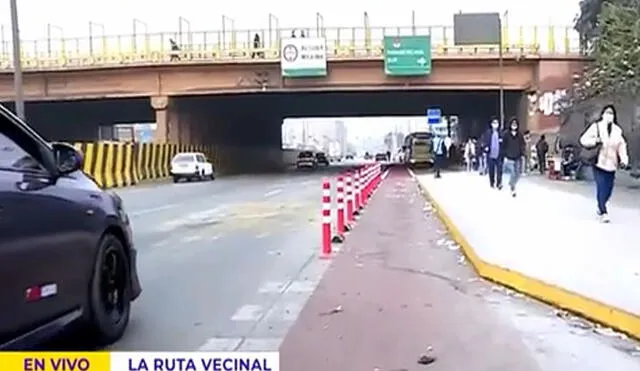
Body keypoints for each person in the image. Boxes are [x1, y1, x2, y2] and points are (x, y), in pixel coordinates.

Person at [579, 104, 629, 223]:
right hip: (598, 162)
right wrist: (595, 141)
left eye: (611, 113)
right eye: (607, 112)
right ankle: (603, 211)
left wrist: (624, 160)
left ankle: (601, 205)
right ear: (602, 114)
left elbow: (622, 147)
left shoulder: (617, 130)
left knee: (608, 189)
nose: (609, 115)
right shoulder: (596, 127)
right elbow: (583, 140)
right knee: (601, 187)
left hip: (612, 164)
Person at [502, 118, 526, 197]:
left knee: (518, 173)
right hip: (509, 157)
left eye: (515, 124)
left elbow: (522, 145)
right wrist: (504, 155)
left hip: (517, 157)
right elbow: (503, 146)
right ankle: (513, 188)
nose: (514, 126)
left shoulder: (519, 135)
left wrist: (522, 153)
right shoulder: (506, 134)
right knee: (512, 173)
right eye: (513, 124)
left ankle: (512, 183)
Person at [481, 118, 503, 189]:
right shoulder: (488, 133)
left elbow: (504, 143)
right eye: (494, 123)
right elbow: (484, 141)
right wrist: (485, 147)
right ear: (491, 124)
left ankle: (499, 183)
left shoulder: (501, 133)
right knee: (491, 170)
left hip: (499, 154)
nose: (495, 125)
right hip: (490, 154)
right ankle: (492, 182)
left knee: (499, 170)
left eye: (496, 123)